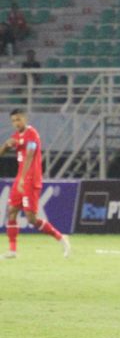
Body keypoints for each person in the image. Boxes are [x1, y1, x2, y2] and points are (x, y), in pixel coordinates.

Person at [0, 109, 70, 259]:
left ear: (25, 119)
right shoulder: (17, 136)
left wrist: (23, 179)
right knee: (11, 211)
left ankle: (61, 238)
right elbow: (4, 150)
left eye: (18, 120)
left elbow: (30, 156)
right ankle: (12, 250)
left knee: (31, 219)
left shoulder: (32, 134)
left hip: (30, 180)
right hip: (20, 179)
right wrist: (6, 145)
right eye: (13, 121)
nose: (16, 123)